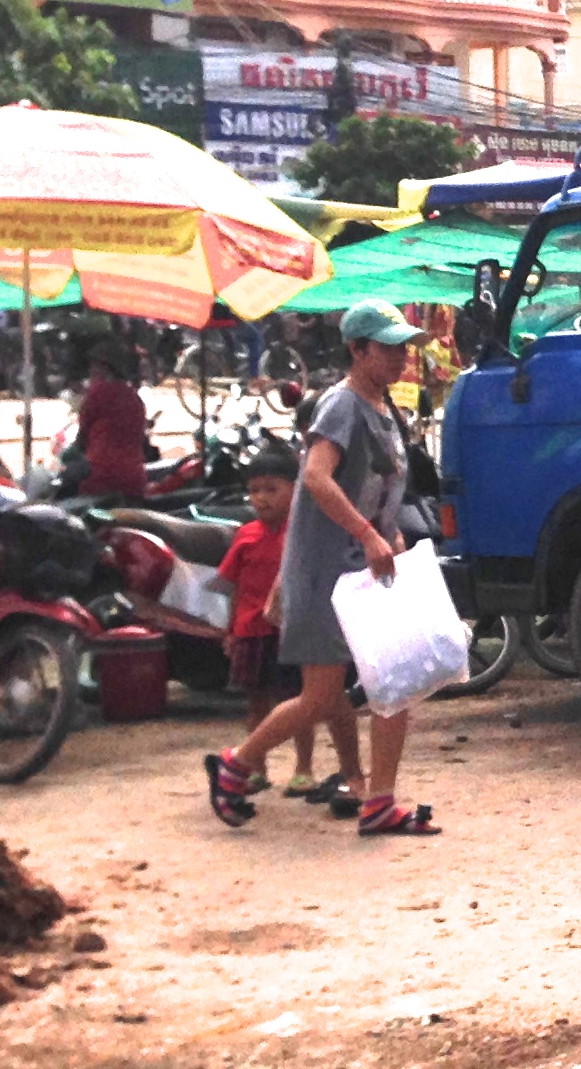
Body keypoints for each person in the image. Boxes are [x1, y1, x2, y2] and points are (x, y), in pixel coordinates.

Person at [203, 300, 434, 837]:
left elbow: (378, 489)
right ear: (358, 350)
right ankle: (236, 764)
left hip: (368, 571)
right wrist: (368, 534)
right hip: (328, 573)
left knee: (395, 685)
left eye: (403, 347)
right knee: (321, 697)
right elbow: (316, 477)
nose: (400, 357)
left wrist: (390, 537)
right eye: (389, 347)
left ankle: (380, 802)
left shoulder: (384, 408)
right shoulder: (341, 405)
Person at [211, 445, 318, 794]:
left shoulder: (301, 535)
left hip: (291, 631)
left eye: (272, 489)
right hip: (251, 631)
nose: (262, 498)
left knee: (298, 701)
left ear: (294, 490)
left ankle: (304, 768)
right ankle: (256, 768)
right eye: (255, 490)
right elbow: (233, 588)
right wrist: (231, 631)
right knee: (257, 703)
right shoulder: (245, 536)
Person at [77, 347, 150, 500]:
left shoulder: (98, 393)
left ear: (105, 368)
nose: (91, 370)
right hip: (135, 479)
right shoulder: (134, 398)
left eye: (95, 366)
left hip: (100, 476)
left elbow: (83, 432)